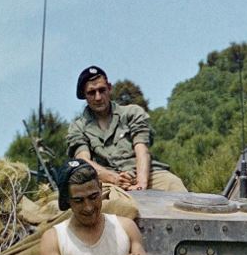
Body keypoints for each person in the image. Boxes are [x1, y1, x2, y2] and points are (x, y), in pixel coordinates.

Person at [40, 162, 157, 255]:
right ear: (67, 200)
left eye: (93, 197)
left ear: (101, 188)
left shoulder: (126, 227)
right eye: (79, 200)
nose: (88, 207)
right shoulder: (54, 237)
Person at [66, 65, 187, 193]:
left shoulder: (132, 113)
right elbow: (83, 161)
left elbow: (142, 149)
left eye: (102, 90)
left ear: (109, 88)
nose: (98, 97)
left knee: (173, 184)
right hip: (105, 179)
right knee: (103, 199)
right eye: (91, 92)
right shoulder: (78, 127)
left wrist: (141, 183)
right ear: (84, 95)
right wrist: (113, 178)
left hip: (143, 172)